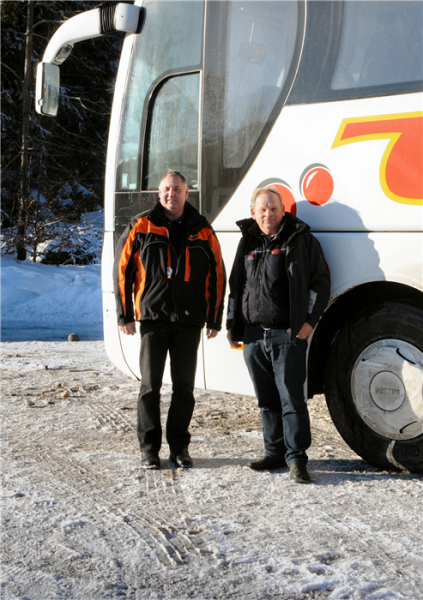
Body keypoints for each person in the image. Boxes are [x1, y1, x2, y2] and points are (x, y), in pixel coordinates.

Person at [114, 170, 226, 469]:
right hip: (154, 319)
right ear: (159, 192)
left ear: (187, 193)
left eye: (177, 189)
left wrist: (214, 318)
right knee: (149, 387)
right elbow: (122, 271)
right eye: (166, 189)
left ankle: (179, 447)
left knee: (184, 389)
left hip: (189, 322)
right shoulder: (142, 226)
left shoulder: (203, 229)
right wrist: (125, 314)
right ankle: (149, 448)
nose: (171, 194)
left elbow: (217, 274)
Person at [226, 186, 330, 483]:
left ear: (284, 210)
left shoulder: (300, 240)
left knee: (291, 400)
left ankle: (297, 459)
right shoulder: (247, 242)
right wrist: (232, 324)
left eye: (273, 208)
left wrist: (309, 322)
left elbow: (320, 283)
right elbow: (237, 286)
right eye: (263, 209)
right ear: (253, 213)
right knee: (266, 399)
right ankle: (274, 453)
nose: (268, 213)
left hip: (287, 335)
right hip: (253, 336)